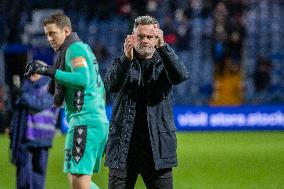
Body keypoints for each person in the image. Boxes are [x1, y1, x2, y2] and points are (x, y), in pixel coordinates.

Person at [23, 12, 109, 189]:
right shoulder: (81, 48)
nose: (49, 38)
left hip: (85, 123)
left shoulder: (74, 49)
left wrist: (49, 71)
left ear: (66, 30)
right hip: (90, 122)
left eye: (53, 33)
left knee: (80, 184)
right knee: (76, 182)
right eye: (47, 34)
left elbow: (83, 79)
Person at [104, 15, 189, 189]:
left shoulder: (164, 63)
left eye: (150, 37)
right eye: (140, 36)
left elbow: (180, 75)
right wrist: (126, 60)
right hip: (123, 150)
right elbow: (111, 86)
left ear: (157, 38)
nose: (145, 41)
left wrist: (163, 47)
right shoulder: (121, 62)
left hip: (157, 150)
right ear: (132, 37)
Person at [9, 74, 58, 189]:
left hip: (42, 137)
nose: (31, 74)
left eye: (35, 71)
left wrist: (22, 95)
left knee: (39, 171)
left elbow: (39, 104)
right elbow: (17, 109)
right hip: (25, 136)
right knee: (23, 170)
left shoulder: (50, 87)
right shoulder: (26, 86)